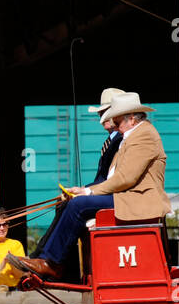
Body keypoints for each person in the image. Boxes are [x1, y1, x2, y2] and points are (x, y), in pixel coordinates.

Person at [9, 92, 171, 280]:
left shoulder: (143, 136)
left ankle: (52, 264)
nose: (115, 128)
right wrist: (83, 191)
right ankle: (50, 262)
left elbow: (126, 178)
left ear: (132, 119)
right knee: (73, 203)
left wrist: (88, 192)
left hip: (136, 198)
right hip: (126, 195)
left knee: (78, 205)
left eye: (117, 123)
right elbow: (115, 177)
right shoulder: (133, 134)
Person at [33, 87, 124, 260]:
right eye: (101, 113)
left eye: (106, 112)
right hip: (106, 191)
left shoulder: (122, 140)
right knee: (64, 203)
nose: (101, 117)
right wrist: (81, 189)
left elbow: (114, 180)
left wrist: (85, 192)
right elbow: (104, 179)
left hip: (116, 196)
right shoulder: (114, 140)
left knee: (74, 204)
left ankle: (49, 258)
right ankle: (43, 254)